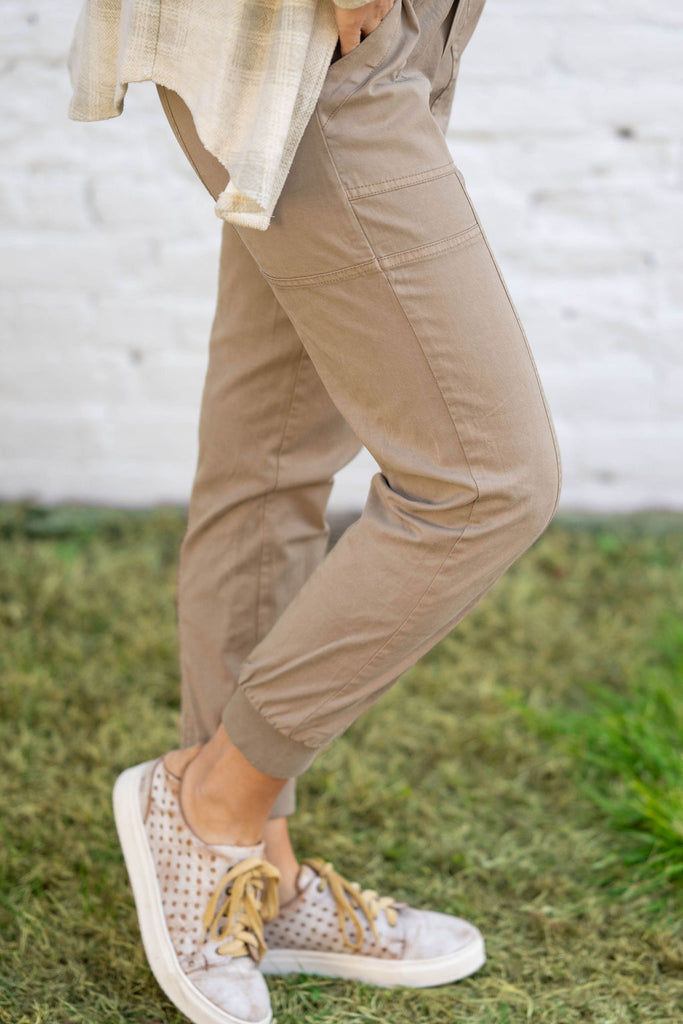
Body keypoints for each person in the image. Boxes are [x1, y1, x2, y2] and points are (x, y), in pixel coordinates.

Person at [67, 1, 562, 1022]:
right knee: (485, 480)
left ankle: (257, 876)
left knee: (272, 455)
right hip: (309, 33)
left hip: (399, 33)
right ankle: (211, 800)